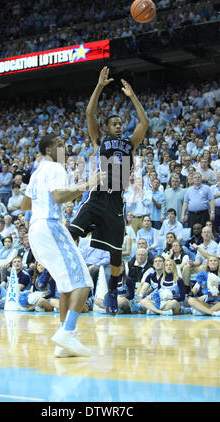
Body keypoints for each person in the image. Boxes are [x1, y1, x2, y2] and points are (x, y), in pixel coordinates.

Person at [69, 67, 149, 315]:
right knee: (71, 232)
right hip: (97, 196)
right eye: (114, 124)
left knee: (116, 253)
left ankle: (112, 291)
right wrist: (99, 86)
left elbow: (144, 122)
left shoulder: (129, 143)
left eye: (121, 124)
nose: (119, 126)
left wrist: (133, 96)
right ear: (106, 127)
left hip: (116, 201)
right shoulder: (99, 140)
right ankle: (67, 276)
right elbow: (89, 112)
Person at [21, 133, 98, 358]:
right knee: (83, 282)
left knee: (66, 286)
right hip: (50, 225)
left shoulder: (36, 173)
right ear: (48, 151)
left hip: (35, 230)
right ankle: (68, 332)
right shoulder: (56, 168)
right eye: (59, 144)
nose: (64, 147)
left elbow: (24, 204)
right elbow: (58, 196)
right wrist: (87, 184)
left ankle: (64, 344)